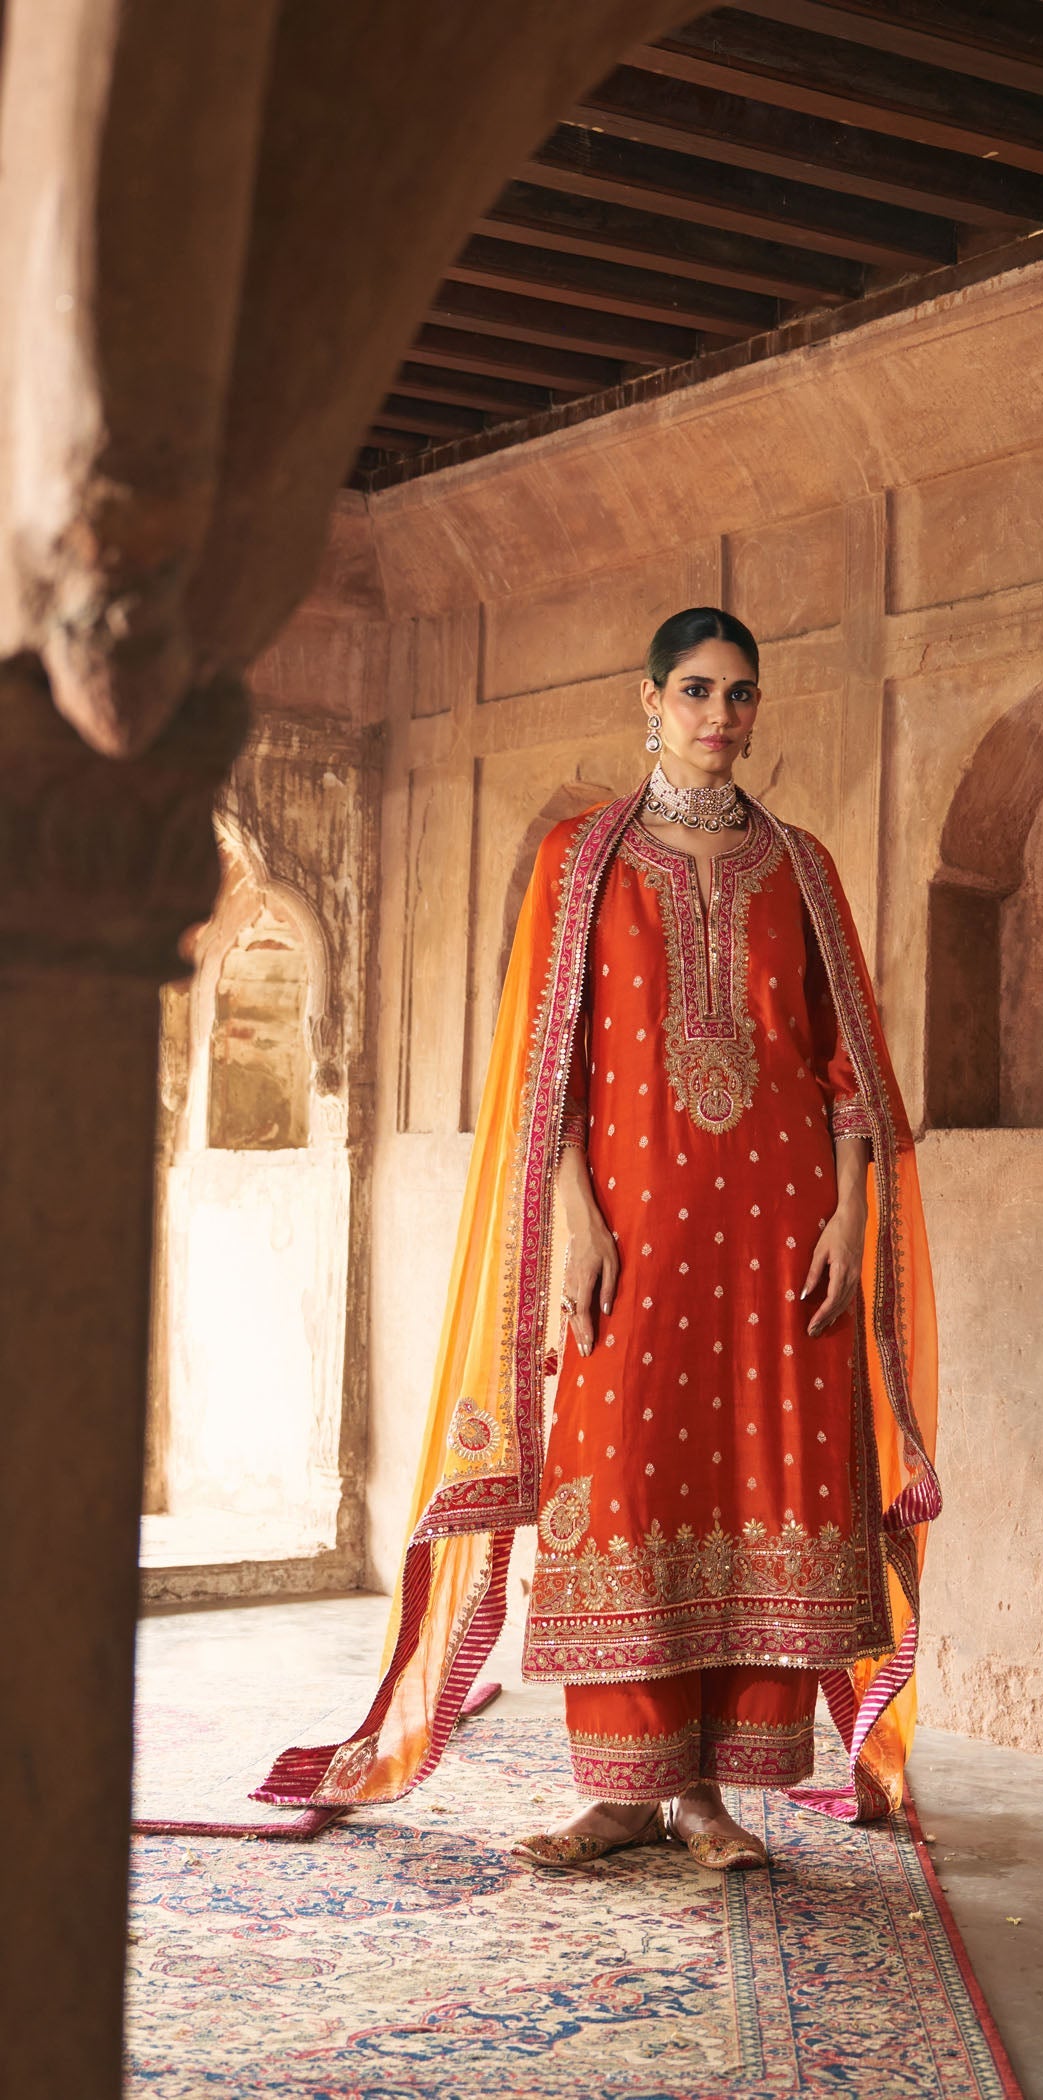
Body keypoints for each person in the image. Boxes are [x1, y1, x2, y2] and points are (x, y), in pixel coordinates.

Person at [257, 608, 941, 1870]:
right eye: (696, 690)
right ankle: (621, 1793)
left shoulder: (803, 866)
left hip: (783, 1234)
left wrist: (852, 1209)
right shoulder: (584, 860)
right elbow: (546, 1072)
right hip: (634, 1229)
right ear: (649, 696)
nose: (719, 717)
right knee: (623, 1478)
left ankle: (713, 1800)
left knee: (761, 1485)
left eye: (740, 695)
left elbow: (845, 1064)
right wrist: (571, 1214)